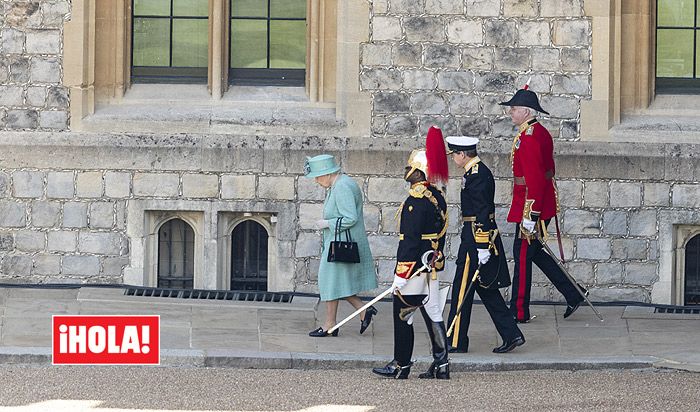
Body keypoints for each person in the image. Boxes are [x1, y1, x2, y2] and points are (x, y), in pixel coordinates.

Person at [499, 86, 586, 323]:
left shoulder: (529, 138)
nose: (511, 113)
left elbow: (535, 180)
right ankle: (574, 293)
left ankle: (518, 310)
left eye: (514, 109)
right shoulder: (538, 132)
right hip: (536, 201)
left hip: (532, 205)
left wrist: (531, 214)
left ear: (526, 112)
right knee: (534, 253)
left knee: (523, 256)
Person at [372, 126, 451, 379]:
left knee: (402, 313)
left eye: (410, 168)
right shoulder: (436, 196)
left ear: (420, 171)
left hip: (415, 267)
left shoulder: (416, 201)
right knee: (433, 312)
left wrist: (401, 273)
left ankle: (401, 364)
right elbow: (440, 233)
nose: (406, 172)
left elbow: (410, 241)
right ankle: (441, 364)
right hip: (431, 264)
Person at [445, 135, 525, 354]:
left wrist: (481, 245)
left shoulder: (478, 175)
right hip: (473, 236)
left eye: (454, 154)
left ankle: (456, 340)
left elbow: (482, 212)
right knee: (486, 289)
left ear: (462, 154)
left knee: (462, 288)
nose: (453, 159)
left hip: (475, 239)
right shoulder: (474, 173)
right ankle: (512, 334)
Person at [304, 154, 378, 337]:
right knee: (335, 283)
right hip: (339, 240)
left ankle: (332, 323)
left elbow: (350, 217)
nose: (316, 181)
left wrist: (327, 224)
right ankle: (360, 311)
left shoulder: (342, 186)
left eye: (317, 176)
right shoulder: (339, 183)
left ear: (327, 173)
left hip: (341, 242)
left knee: (329, 282)